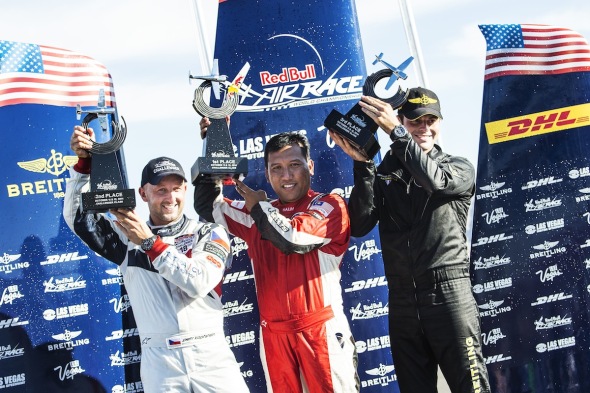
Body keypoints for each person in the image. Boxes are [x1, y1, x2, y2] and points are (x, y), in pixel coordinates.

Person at [63, 125, 249, 393]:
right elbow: (79, 219)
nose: (170, 197)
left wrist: (149, 243)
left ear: (186, 189)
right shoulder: (127, 237)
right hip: (161, 364)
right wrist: (84, 165)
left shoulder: (209, 232)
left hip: (211, 357)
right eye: (161, 190)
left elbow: (198, 282)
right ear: (143, 194)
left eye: (176, 188)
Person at [329, 87, 491, 393]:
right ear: (402, 118)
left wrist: (397, 133)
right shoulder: (384, 171)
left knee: (472, 388)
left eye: (431, 120)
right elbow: (361, 224)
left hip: (449, 297)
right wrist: (363, 165)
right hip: (402, 300)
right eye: (416, 120)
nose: (424, 128)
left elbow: (433, 181)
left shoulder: (458, 167)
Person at [194, 125, 359, 393]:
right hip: (273, 335)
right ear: (268, 175)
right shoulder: (257, 214)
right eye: (276, 168)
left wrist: (259, 208)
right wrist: (212, 143)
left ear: (311, 166)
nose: (286, 175)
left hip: (321, 331)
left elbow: (292, 238)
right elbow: (208, 206)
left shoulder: (329, 205)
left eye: (294, 164)